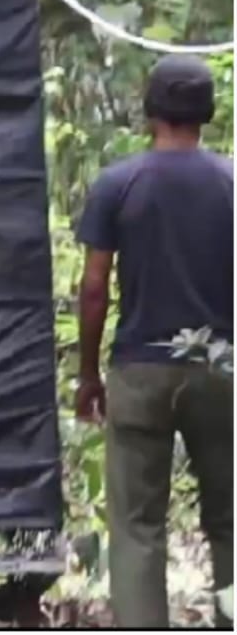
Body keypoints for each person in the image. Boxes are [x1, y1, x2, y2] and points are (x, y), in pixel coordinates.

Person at [75, 55, 233, 628]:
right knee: (231, 519)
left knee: (138, 528)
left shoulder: (119, 183)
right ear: (206, 114)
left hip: (140, 369)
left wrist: (88, 374)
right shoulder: (231, 182)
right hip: (221, 369)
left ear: (150, 110)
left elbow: (95, 288)